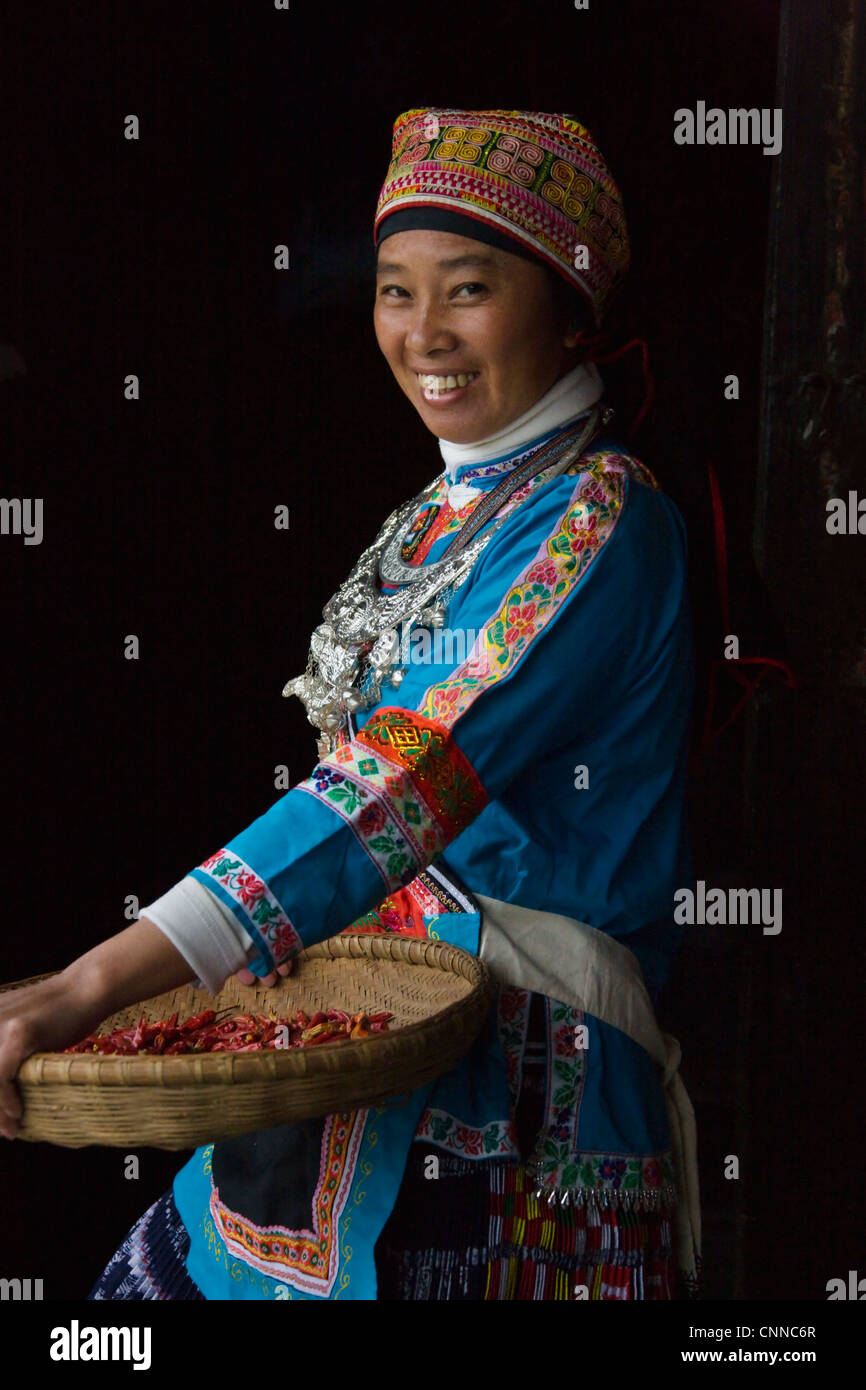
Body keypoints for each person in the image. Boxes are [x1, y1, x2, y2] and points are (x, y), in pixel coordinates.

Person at [0, 107, 700, 1301]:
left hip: (518, 1119)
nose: (422, 332)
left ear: (569, 306)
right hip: (346, 1062)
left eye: (467, 288)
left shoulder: (599, 520)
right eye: (392, 290)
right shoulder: (445, 512)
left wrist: (88, 983)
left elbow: (391, 782)